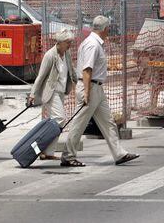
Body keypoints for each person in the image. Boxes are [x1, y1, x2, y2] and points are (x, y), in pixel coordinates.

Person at [60, 15, 140, 167]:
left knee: (108, 122)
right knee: (79, 123)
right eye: (108, 29)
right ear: (105, 29)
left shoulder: (94, 42)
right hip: (90, 88)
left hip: (97, 88)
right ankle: (68, 155)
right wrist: (87, 93)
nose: (109, 31)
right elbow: (87, 70)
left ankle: (119, 154)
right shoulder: (93, 45)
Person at [28, 28, 77, 160]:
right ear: (60, 42)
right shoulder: (50, 55)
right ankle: (44, 147)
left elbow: (71, 70)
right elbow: (41, 76)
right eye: (68, 42)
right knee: (60, 119)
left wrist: (78, 81)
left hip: (61, 92)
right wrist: (32, 94)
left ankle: (47, 152)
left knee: (53, 122)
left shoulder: (66, 53)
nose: (70, 45)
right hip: (51, 92)